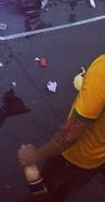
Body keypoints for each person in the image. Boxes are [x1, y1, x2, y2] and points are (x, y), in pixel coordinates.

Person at [17, 53, 105, 201]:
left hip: (77, 156)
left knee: (43, 191)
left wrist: (36, 155)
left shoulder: (102, 72)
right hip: (98, 159)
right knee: (65, 189)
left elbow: (73, 133)